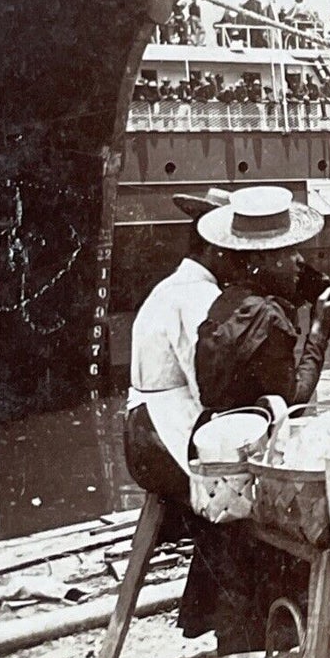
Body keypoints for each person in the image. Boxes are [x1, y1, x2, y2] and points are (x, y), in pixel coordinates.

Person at [179, 187, 330, 650]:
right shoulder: (270, 320)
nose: (298, 261)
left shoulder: (223, 305)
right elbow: (291, 397)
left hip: (217, 460)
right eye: (287, 253)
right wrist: (320, 330)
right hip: (254, 467)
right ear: (258, 261)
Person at [122, 188, 230, 511]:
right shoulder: (199, 296)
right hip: (164, 439)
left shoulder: (166, 288)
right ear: (216, 249)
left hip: (138, 436)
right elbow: (206, 389)